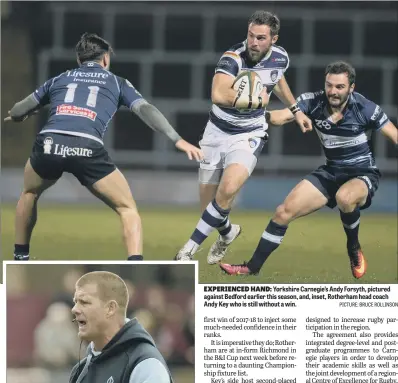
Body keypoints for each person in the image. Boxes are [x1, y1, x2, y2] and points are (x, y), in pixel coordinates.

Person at [4, 32, 203, 261]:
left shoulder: (60, 78)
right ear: (105, 59)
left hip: (50, 143)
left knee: (29, 193)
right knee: (127, 209)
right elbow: (146, 110)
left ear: (79, 60)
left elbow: (18, 110)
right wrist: (176, 139)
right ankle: (135, 263)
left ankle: (21, 256)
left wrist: (22, 116)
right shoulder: (117, 82)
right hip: (87, 146)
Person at [220, 61, 398, 278]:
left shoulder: (366, 109)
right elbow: (281, 116)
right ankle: (251, 267)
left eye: (339, 87)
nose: (333, 91)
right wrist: (254, 113)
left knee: (345, 197)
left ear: (352, 88)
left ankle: (353, 249)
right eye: (329, 85)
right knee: (283, 212)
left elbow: (394, 134)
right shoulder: (312, 101)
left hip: (362, 174)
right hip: (331, 172)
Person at [174, 10, 312, 263]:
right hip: (216, 132)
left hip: (250, 133)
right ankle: (228, 233)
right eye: (250, 36)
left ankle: (188, 249)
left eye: (260, 38)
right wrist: (250, 99)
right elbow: (217, 94)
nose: (254, 42)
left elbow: (277, 79)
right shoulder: (232, 58)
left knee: (227, 189)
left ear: (274, 39)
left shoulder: (280, 58)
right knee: (210, 207)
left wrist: (295, 110)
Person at [70, 271, 173, 383]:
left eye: (84, 302)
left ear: (110, 308)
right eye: (75, 302)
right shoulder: (79, 371)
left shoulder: (145, 364)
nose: (74, 309)